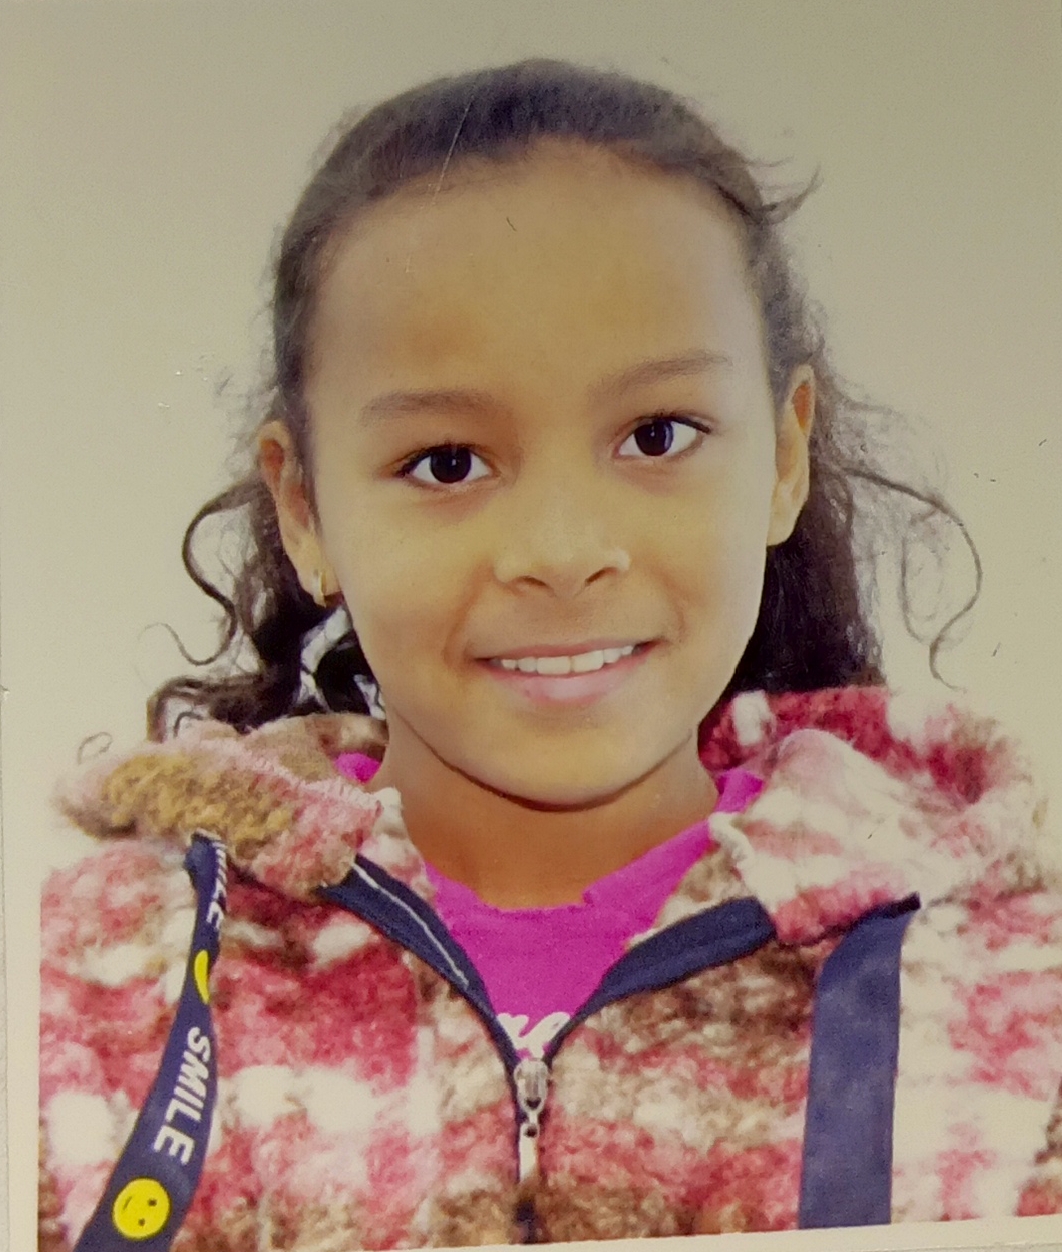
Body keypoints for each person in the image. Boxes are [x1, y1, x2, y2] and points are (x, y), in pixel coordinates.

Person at [38, 59, 1062, 1250]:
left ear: (783, 455)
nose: (564, 553)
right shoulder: (94, 983)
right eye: (448, 463)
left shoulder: (1014, 998)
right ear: (305, 506)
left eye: (657, 435)